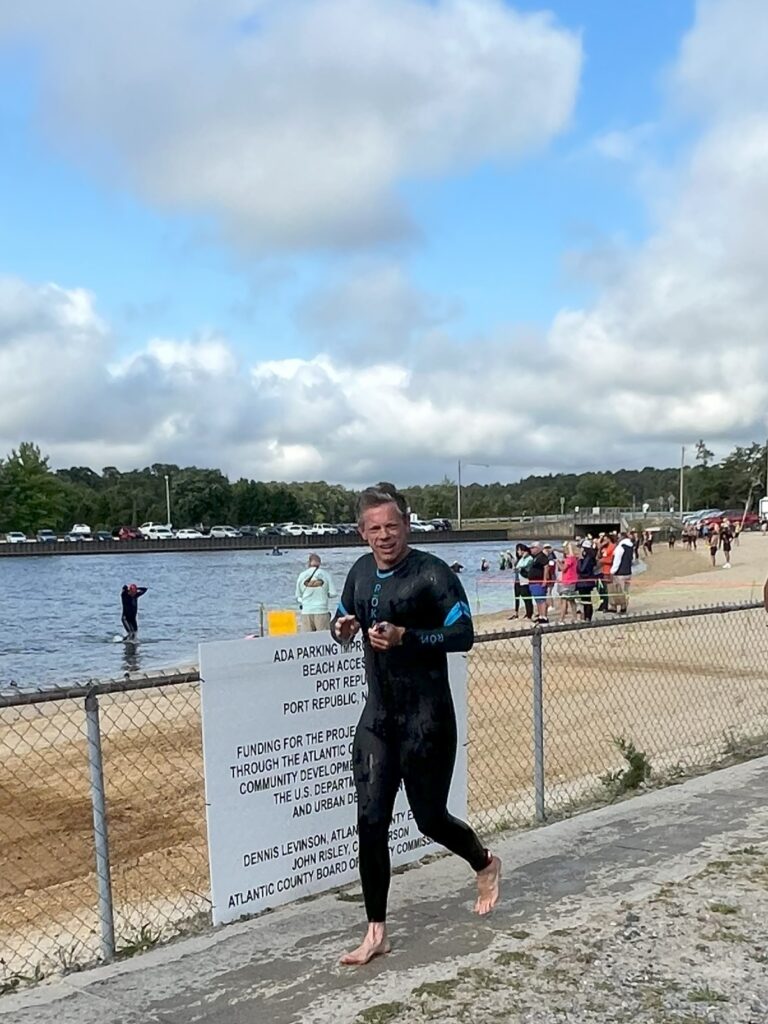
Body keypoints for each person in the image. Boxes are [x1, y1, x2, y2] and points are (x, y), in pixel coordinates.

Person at [331, 483, 500, 966]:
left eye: (393, 526)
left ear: (407, 523)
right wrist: (341, 628)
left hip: (427, 719)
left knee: (430, 820)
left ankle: (484, 862)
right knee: (370, 822)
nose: (385, 536)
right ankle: (375, 932)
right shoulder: (361, 572)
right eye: (375, 528)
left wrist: (406, 636)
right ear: (362, 533)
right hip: (378, 719)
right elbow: (344, 620)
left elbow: (463, 634)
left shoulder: (433, 573)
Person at [296, 553, 337, 631]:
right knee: (324, 639)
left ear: (308, 563)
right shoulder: (326, 575)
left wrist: (304, 601)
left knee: (307, 640)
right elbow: (333, 593)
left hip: (306, 611)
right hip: (322, 611)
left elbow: (298, 596)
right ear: (320, 563)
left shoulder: (302, 576)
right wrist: (324, 594)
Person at [610, 532, 634, 614]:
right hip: (628, 571)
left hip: (620, 572)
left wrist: (612, 571)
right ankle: (624, 607)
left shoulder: (620, 547)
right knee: (626, 591)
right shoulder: (630, 546)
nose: (617, 538)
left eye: (619, 537)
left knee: (618, 591)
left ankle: (616, 607)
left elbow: (617, 561)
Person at [527, 542, 550, 623]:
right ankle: (540, 615)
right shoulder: (535, 557)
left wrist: (544, 580)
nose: (531, 549)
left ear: (538, 548)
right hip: (533, 581)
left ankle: (544, 616)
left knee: (541, 599)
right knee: (537, 599)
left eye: (533, 548)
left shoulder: (542, 557)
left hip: (539, 581)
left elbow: (546, 567)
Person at [576, 541, 598, 621]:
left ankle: (587, 617)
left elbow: (582, 569)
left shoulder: (587, 558)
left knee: (586, 600)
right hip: (588, 581)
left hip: (584, 582)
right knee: (586, 600)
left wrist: (579, 560)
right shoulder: (591, 556)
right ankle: (587, 617)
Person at [557, 541, 579, 622]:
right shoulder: (574, 558)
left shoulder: (570, 559)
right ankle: (575, 617)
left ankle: (561, 619)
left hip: (567, 582)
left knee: (564, 600)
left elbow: (563, 568)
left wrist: (558, 562)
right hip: (572, 581)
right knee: (572, 600)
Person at [512, 544, 533, 620]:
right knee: (517, 596)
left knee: (526, 597)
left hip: (524, 580)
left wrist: (524, 557)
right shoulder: (520, 559)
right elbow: (517, 567)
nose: (518, 552)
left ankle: (529, 614)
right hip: (518, 580)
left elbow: (523, 566)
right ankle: (516, 613)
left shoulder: (529, 558)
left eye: (520, 550)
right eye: (517, 550)